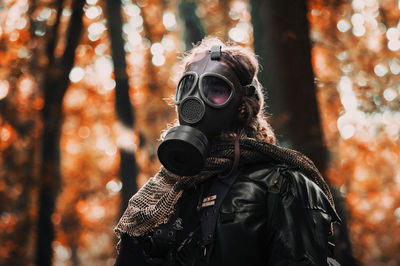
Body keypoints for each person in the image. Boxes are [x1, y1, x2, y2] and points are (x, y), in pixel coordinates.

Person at [114, 37, 341, 266]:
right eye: (187, 86)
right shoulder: (156, 197)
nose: (194, 99)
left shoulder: (283, 185)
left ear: (242, 107)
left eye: (215, 90)